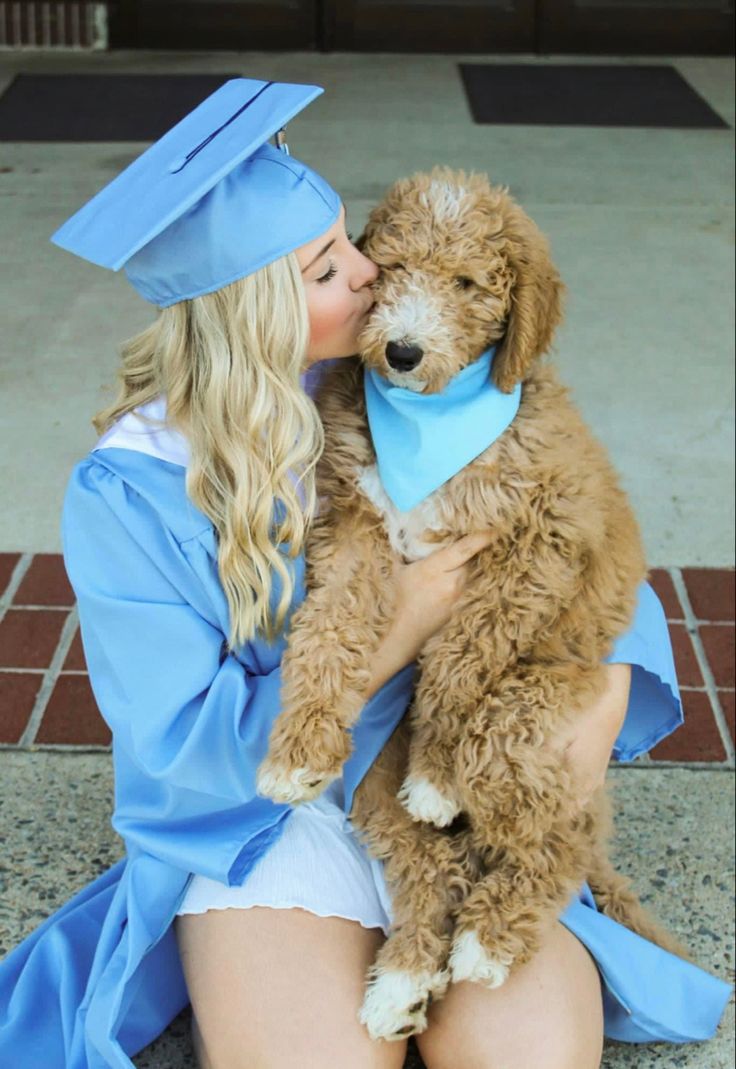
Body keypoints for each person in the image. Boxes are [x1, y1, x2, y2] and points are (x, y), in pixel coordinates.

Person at [0, 79, 729, 1069]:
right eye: (325, 267)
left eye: (349, 243)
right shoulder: (132, 489)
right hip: (261, 821)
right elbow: (181, 742)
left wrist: (603, 690)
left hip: (452, 781)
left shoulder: (421, 391)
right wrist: (408, 615)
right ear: (250, 307)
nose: (369, 270)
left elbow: (582, 538)